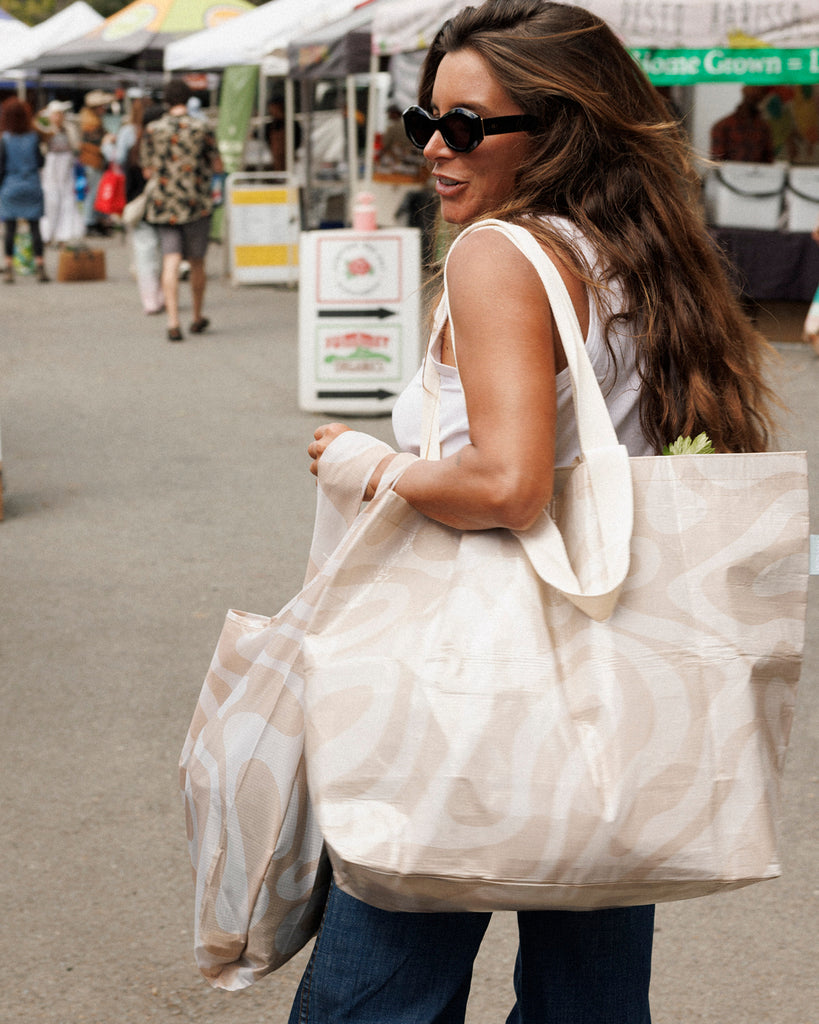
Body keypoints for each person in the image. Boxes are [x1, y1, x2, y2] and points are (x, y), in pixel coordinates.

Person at [299, 2, 778, 1022]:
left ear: (558, 130)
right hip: (619, 687)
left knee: (374, 994)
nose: (433, 147)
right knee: (590, 1002)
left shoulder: (499, 256)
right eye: (423, 119)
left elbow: (508, 484)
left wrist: (366, 464)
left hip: (469, 680)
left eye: (467, 127)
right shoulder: (641, 253)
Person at [139, 78, 223, 342]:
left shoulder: (153, 129)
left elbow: (147, 169)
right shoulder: (202, 127)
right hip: (196, 202)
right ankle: (196, 316)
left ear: (166, 100)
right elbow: (218, 165)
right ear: (188, 99)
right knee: (197, 261)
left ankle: (173, 321)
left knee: (170, 259)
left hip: (165, 204)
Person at [0, 97, 49, 283]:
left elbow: (1, 167)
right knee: (35, 227)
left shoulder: (5, 139)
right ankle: (40, 266)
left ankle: (9, 268)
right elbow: (41, 162)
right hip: (31, 186)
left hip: (10, 187)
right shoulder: (33, 137)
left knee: (10, 229)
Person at [39, 99, 82, 245]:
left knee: (67, 199)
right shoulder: (46, 129)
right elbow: (43, 148)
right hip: (51, 166)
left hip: (66, 166)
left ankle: (63, 234)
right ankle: (47, 234)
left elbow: (76, 146)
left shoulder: (69, 128)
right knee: (50, 200)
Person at [78, 89, 114, 237]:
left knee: (97, 192)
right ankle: (89, 222)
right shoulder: (90, 122)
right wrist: (106, 140)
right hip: (92, 162)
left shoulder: (94, 120)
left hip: (95, 162)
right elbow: (95, 141)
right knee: (93, 192)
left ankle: (96, 220)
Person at [710, 85, 775, 163]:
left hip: (758, 174)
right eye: (754, 89)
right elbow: (716, 162)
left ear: (763, 96)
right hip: (729, 174)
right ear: (744, 91)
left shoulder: (764, 128)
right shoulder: (723, 126)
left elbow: (768, 161)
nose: (756, 94)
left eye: (761, 91)